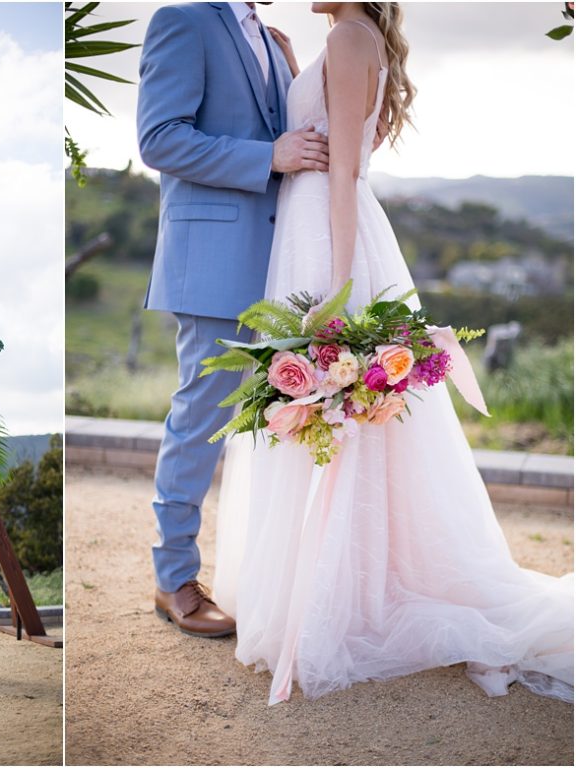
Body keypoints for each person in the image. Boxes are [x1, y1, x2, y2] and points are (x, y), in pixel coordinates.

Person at [212, 1, 574, 704]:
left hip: (328, 235)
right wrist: (294, 68)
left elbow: (344, 170)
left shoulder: (350, 37)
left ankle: (346, 604)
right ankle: (335, 590)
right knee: (333, 424)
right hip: (308, 227)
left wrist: (338, 291)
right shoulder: (337, 40)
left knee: (344, 418)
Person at [137, 1, 329, 638]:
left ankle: (281, 577)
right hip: (215, 260)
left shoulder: (274, 41)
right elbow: (159, 138)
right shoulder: (182, 21)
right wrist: (267, 157)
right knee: (201, 418)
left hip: (283, 260)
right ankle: (174, 580)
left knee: (288, 421)